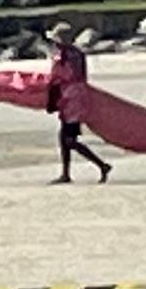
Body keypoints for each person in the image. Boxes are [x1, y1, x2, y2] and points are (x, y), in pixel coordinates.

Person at [49, 29, 115, 184]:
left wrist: (53, 98)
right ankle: (65, 173)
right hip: (74, 97)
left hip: (72, 100)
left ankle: (102, 165)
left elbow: (61, 77)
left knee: (69, 140)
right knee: (64, 137)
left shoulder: (66, 56)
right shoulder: (76, 53)